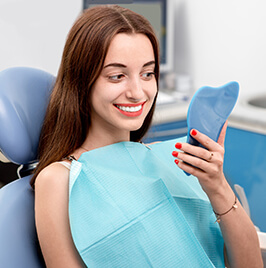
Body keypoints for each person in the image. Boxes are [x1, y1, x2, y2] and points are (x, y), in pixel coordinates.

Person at [31, 5, 263, 268]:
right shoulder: (60, 180)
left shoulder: (171, 158)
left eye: (148, 74)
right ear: (82, 80)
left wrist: (217, 186)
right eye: (117, 76)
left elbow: (251, 264)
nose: (138, 92)